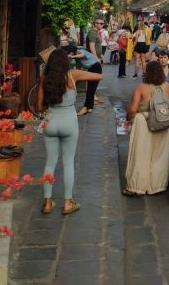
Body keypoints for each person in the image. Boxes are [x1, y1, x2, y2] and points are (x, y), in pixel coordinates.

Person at [37, 48, 103, 215]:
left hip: (50, 121)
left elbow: (39, 107)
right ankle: (67, 203)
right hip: (69, 121)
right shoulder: (73, 74)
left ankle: (47, 202)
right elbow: (99, 75)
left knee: (49, 163)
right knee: (68, 162)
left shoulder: (45, 78)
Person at [123, 61, 169, 196]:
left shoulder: (141, 88)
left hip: (143, 122)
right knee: (160, 155)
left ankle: (137, 187)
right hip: (163, 123)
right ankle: (157, 186)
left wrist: (128, 120)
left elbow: (132, 110)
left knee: (140, 154)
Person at [63, 44, 103, 116]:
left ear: (73, 51)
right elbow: (78, 68)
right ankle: (90, 107)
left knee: (91, 90)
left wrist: (72, 56)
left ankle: (85, 108)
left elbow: (82, 55)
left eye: (70, 53)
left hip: (96, 68)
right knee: (91, 90)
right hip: (91, 69)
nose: (70, 54)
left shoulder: (80, 51)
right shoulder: (77, 59)